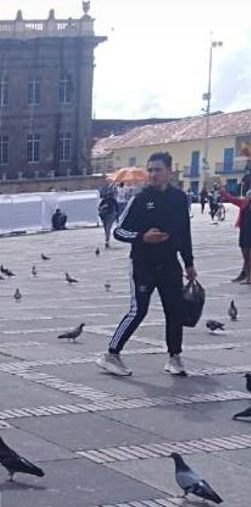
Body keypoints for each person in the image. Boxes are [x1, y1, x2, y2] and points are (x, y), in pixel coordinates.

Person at [97, 151, 195, 378]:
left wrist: (189, 263)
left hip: (170, 263)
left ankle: (174, 357)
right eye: (150, 170)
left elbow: (184, 233)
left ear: (169, 172)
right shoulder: (140, 198)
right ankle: (111, 353)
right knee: (138, 310)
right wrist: (143, 237)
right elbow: (119, 231)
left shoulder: (179, 198)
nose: (153, 174)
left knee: (175, 310)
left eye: (158, 170)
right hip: (144, 263)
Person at [218, 185, 251, 282]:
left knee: (249, 257)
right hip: (245, 231)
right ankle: (247, 276)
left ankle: (249, 277)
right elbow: (231, 199)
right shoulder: (244, 202)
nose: (248, 197)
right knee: (245, 255)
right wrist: (222, 192)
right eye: (248, 196)